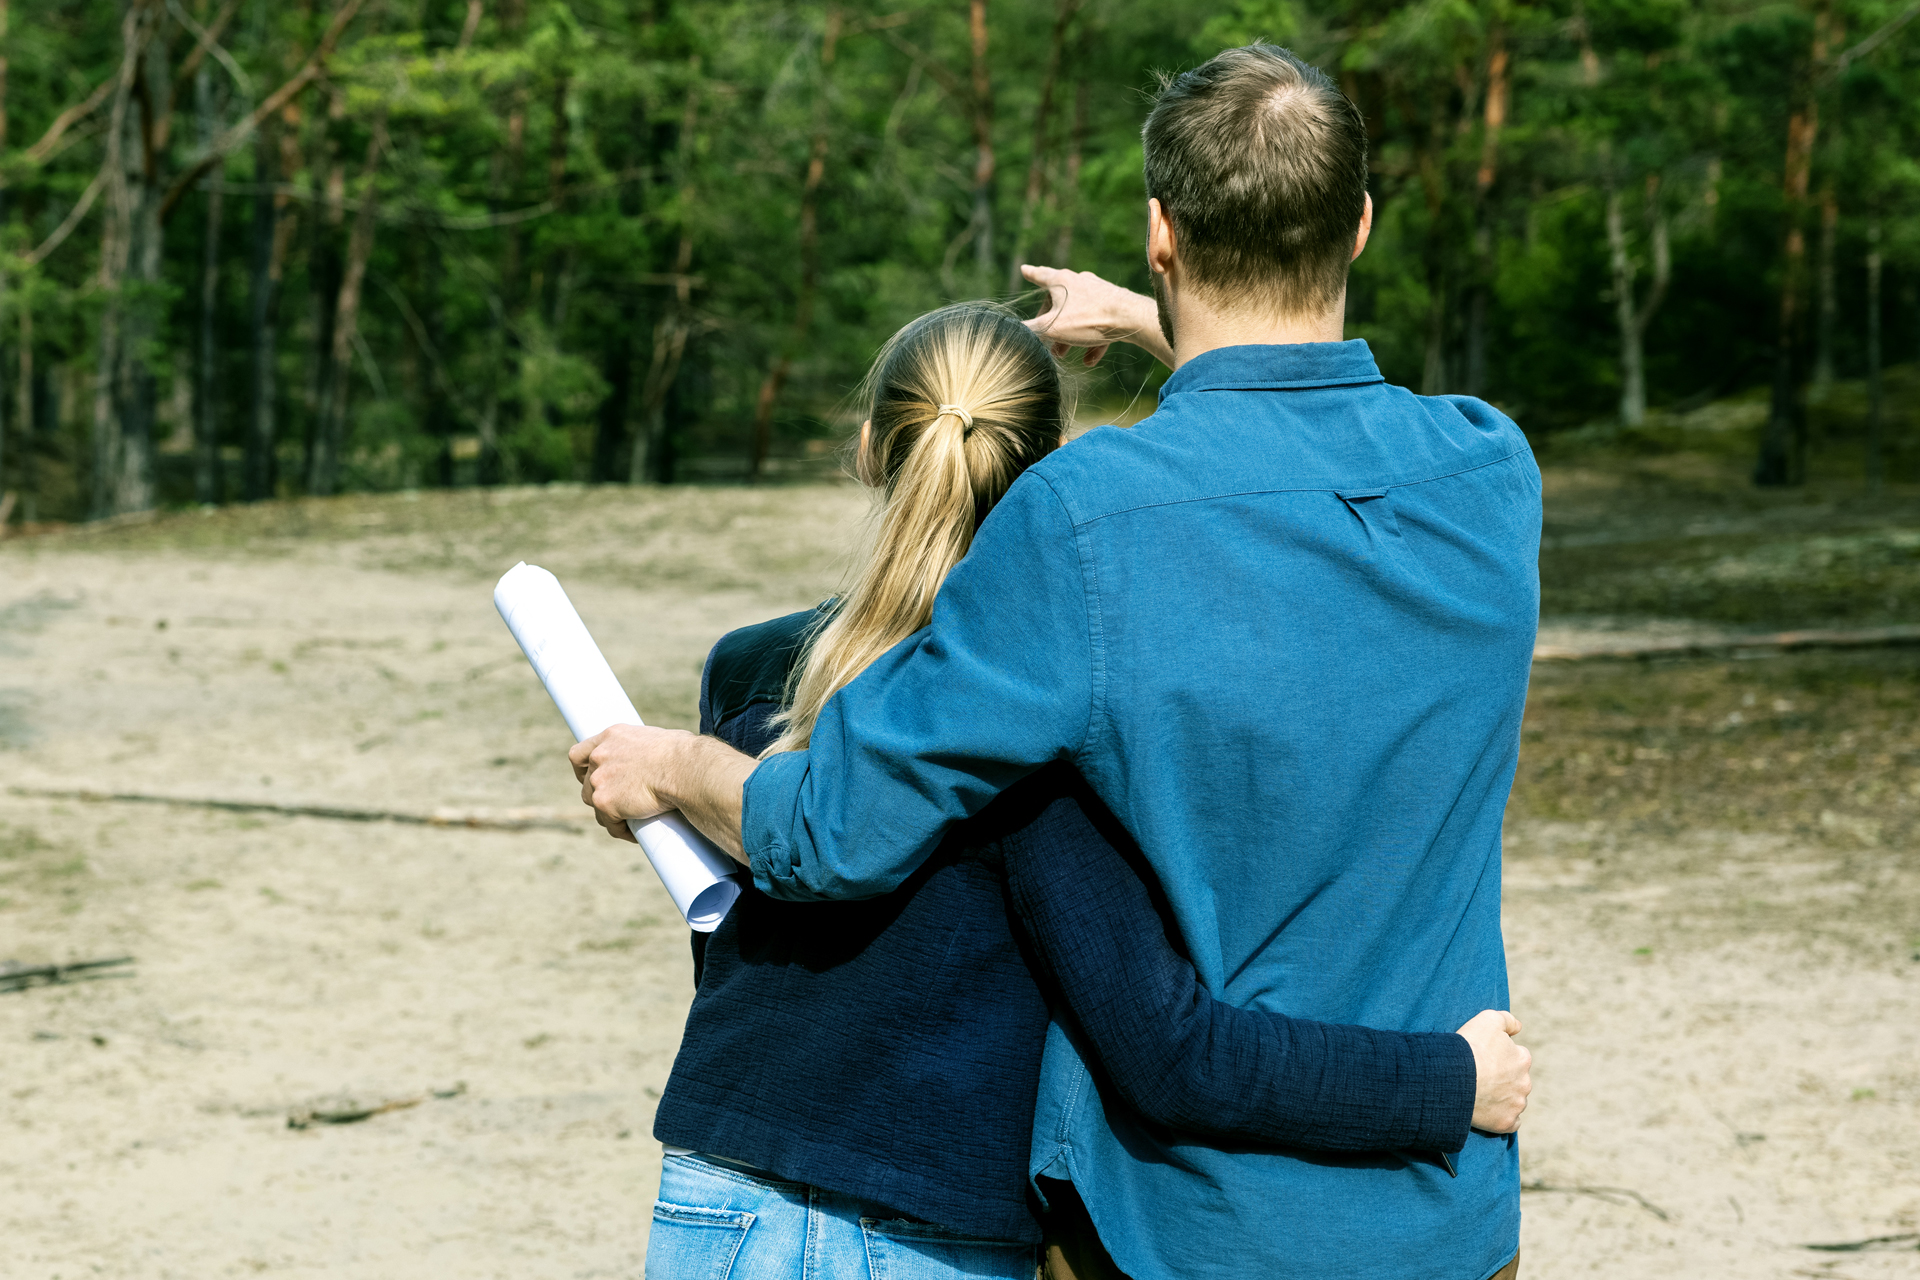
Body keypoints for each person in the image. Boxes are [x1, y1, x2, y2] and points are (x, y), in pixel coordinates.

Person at [576, 43, 1539, 1280]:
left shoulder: (1084, 519)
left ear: (1160, 230)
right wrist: (1160, 328)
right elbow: (1326, 416)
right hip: (1451, 1217)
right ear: (1358, 225)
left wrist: (670, 761)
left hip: (1194, 1230)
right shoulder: (1488, 475)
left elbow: (832, 831)